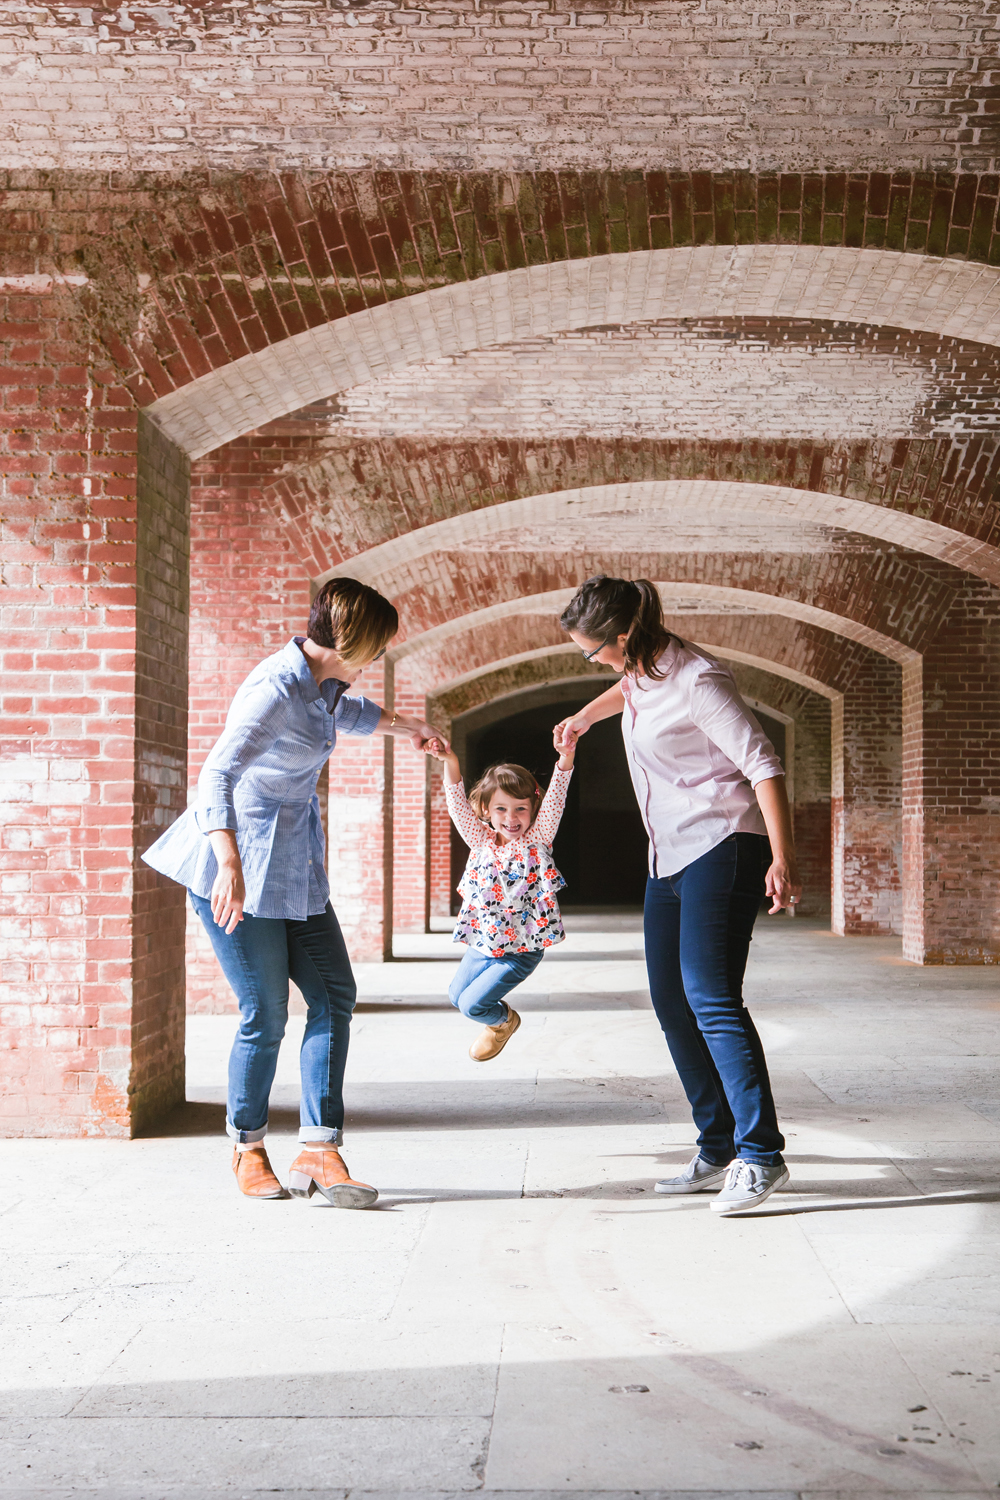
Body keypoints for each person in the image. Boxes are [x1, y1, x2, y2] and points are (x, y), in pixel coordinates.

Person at [143, 578, 445, 1207]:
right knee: (267, 1012)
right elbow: (216, 772)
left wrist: (409, 727)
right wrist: (228, 861)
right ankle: (247, 1148)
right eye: (380, 644)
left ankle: (319, 1148)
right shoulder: (276, 687)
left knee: (335, 994)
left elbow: (351, 714)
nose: (382, 655)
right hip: (239, 864)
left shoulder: (325, 682)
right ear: (354, 639)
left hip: (294, 863)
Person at [555, 575, 801, 1214]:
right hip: (668, 855)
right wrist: (584, 717)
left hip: (724, 842)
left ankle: (762, 1154)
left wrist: (783, 857)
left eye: (594, 651)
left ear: (625, 634)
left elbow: (763, 764)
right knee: (670, 1001)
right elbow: (628, 689)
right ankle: (717, 1145)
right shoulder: (641, 669)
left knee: (712, 998)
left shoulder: (699, 680)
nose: (595, 661)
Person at [426, 738, 575, 1060]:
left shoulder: (537, 840)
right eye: (501, 808)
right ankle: (497, 1023)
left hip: (520, 952)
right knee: (455, 995)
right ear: (485, 810)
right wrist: (449, 759)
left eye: (521, 808)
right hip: (483, 943)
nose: (512, 818)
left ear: (533, 809)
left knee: (472, 1005)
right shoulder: (480, 841)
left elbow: (556, 798)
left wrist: (566, 757)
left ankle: (503, 1022)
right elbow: (455, 802)